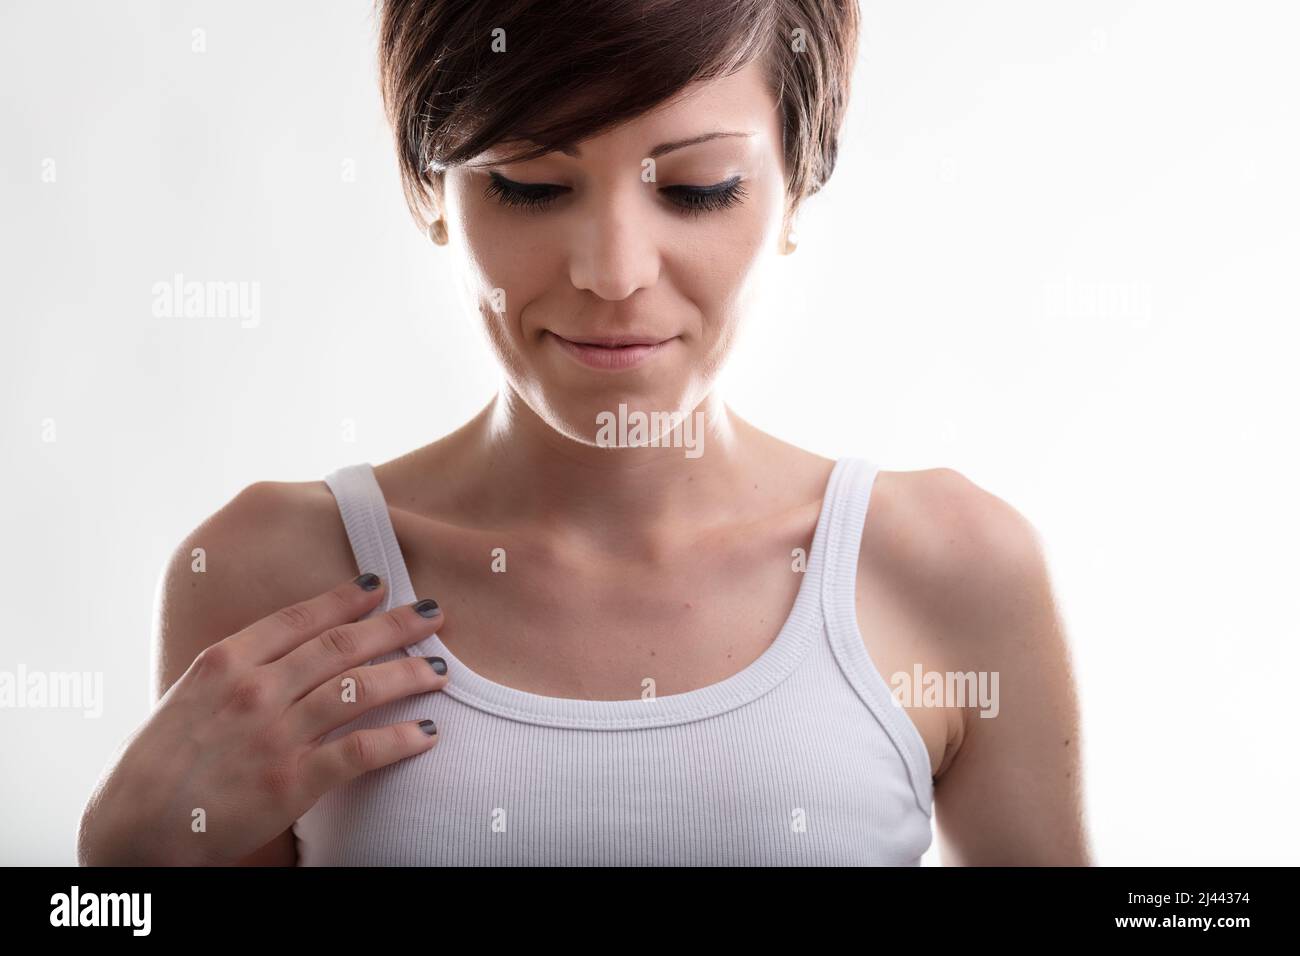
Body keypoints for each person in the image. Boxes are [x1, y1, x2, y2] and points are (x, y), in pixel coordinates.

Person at [78, 0, 1090, 866]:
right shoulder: (274, 572)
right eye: (528, 183)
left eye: (697, 187)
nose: (613, 270)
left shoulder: (952, 568)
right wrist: (119, 864)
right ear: (431, 187)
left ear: (798, 185)